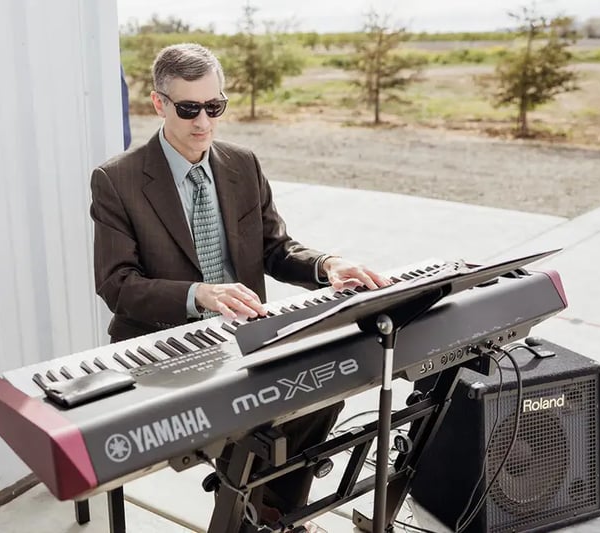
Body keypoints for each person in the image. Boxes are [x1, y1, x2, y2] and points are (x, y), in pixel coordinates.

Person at [90, 43, 391, 532]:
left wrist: (328, 265)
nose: (203, 122)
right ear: (159, 103)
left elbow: (275, 248)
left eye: (215, 106)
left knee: (323, 391)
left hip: (243, 337)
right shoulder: (116, 180)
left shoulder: (242, 164)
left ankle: (269, 516)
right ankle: (260, 517)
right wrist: (199, 294)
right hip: (164, 344)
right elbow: (117, 284)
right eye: (189, 109)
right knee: (255, 426)